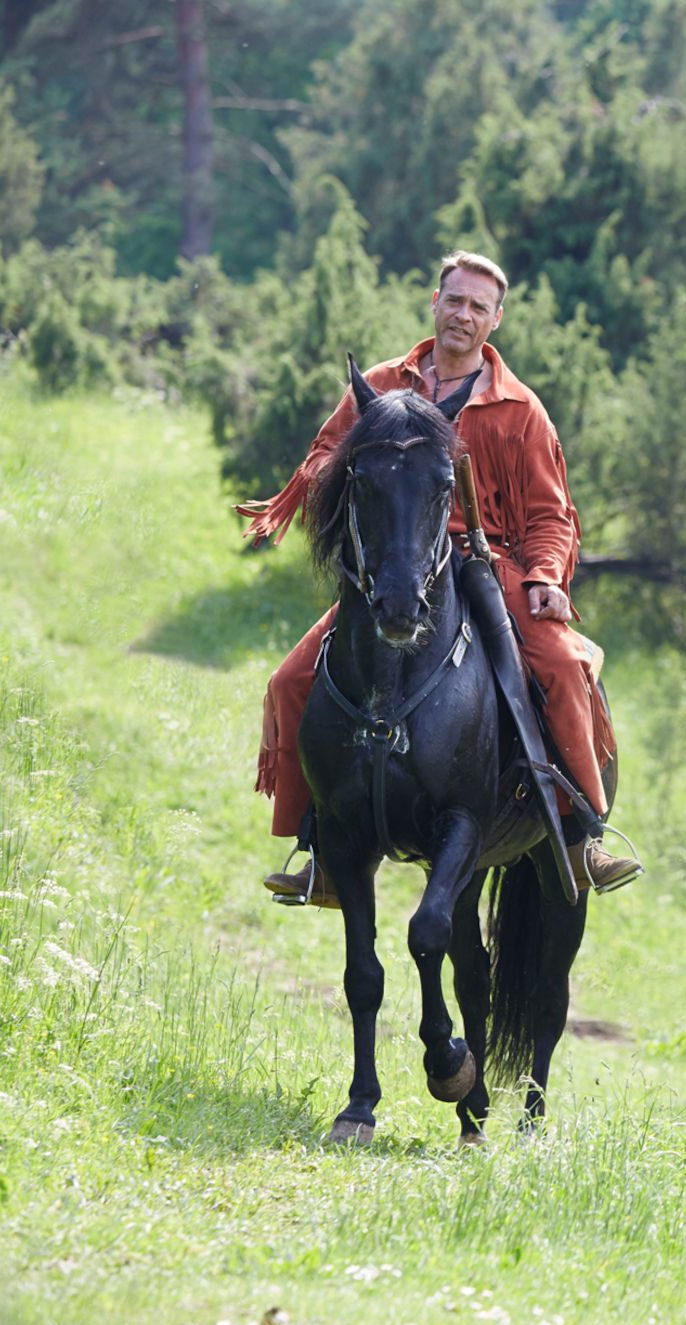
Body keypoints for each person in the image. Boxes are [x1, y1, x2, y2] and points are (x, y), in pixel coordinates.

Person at [240, 250, 641, 902]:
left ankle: (583, 832)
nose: (463, 314)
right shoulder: (381, 384)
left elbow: (551, 514)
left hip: (488, 562)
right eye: (454, 300)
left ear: (496, 319)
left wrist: (545, 576)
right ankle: (315, 850)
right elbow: (322, 458)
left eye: (478, 306)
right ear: (435, 301)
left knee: (564, 667)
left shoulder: (520, 410)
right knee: (290, 681)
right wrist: (341, 478)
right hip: (391, 564)